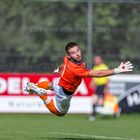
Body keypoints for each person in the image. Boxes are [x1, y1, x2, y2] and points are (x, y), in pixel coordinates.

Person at [25, 42, 133, 116]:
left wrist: (59, 69)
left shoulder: (67, 58)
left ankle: (34, 87)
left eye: (77, 50)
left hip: (60, 82)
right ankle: (41, 94)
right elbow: (98, 73)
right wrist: (117, 70)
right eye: (73, 53)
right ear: (69, 55)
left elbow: (64, 64)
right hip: (65, 94)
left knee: (50, 85)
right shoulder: (76, 69)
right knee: (59, 113)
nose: (77, 54)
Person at [89, 56, 109, 121]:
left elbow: (107, 79)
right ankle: (93, 115)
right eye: (95, 60)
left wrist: (106, 88)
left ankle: (111, 112)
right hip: (97, 87)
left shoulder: (104, 67)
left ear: (100, 60)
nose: (95, 61)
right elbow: (94, 78)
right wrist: (92, 82)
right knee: (93, 101)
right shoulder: (95, 67)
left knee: (101, 103)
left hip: (102, 86)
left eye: (97, 59)